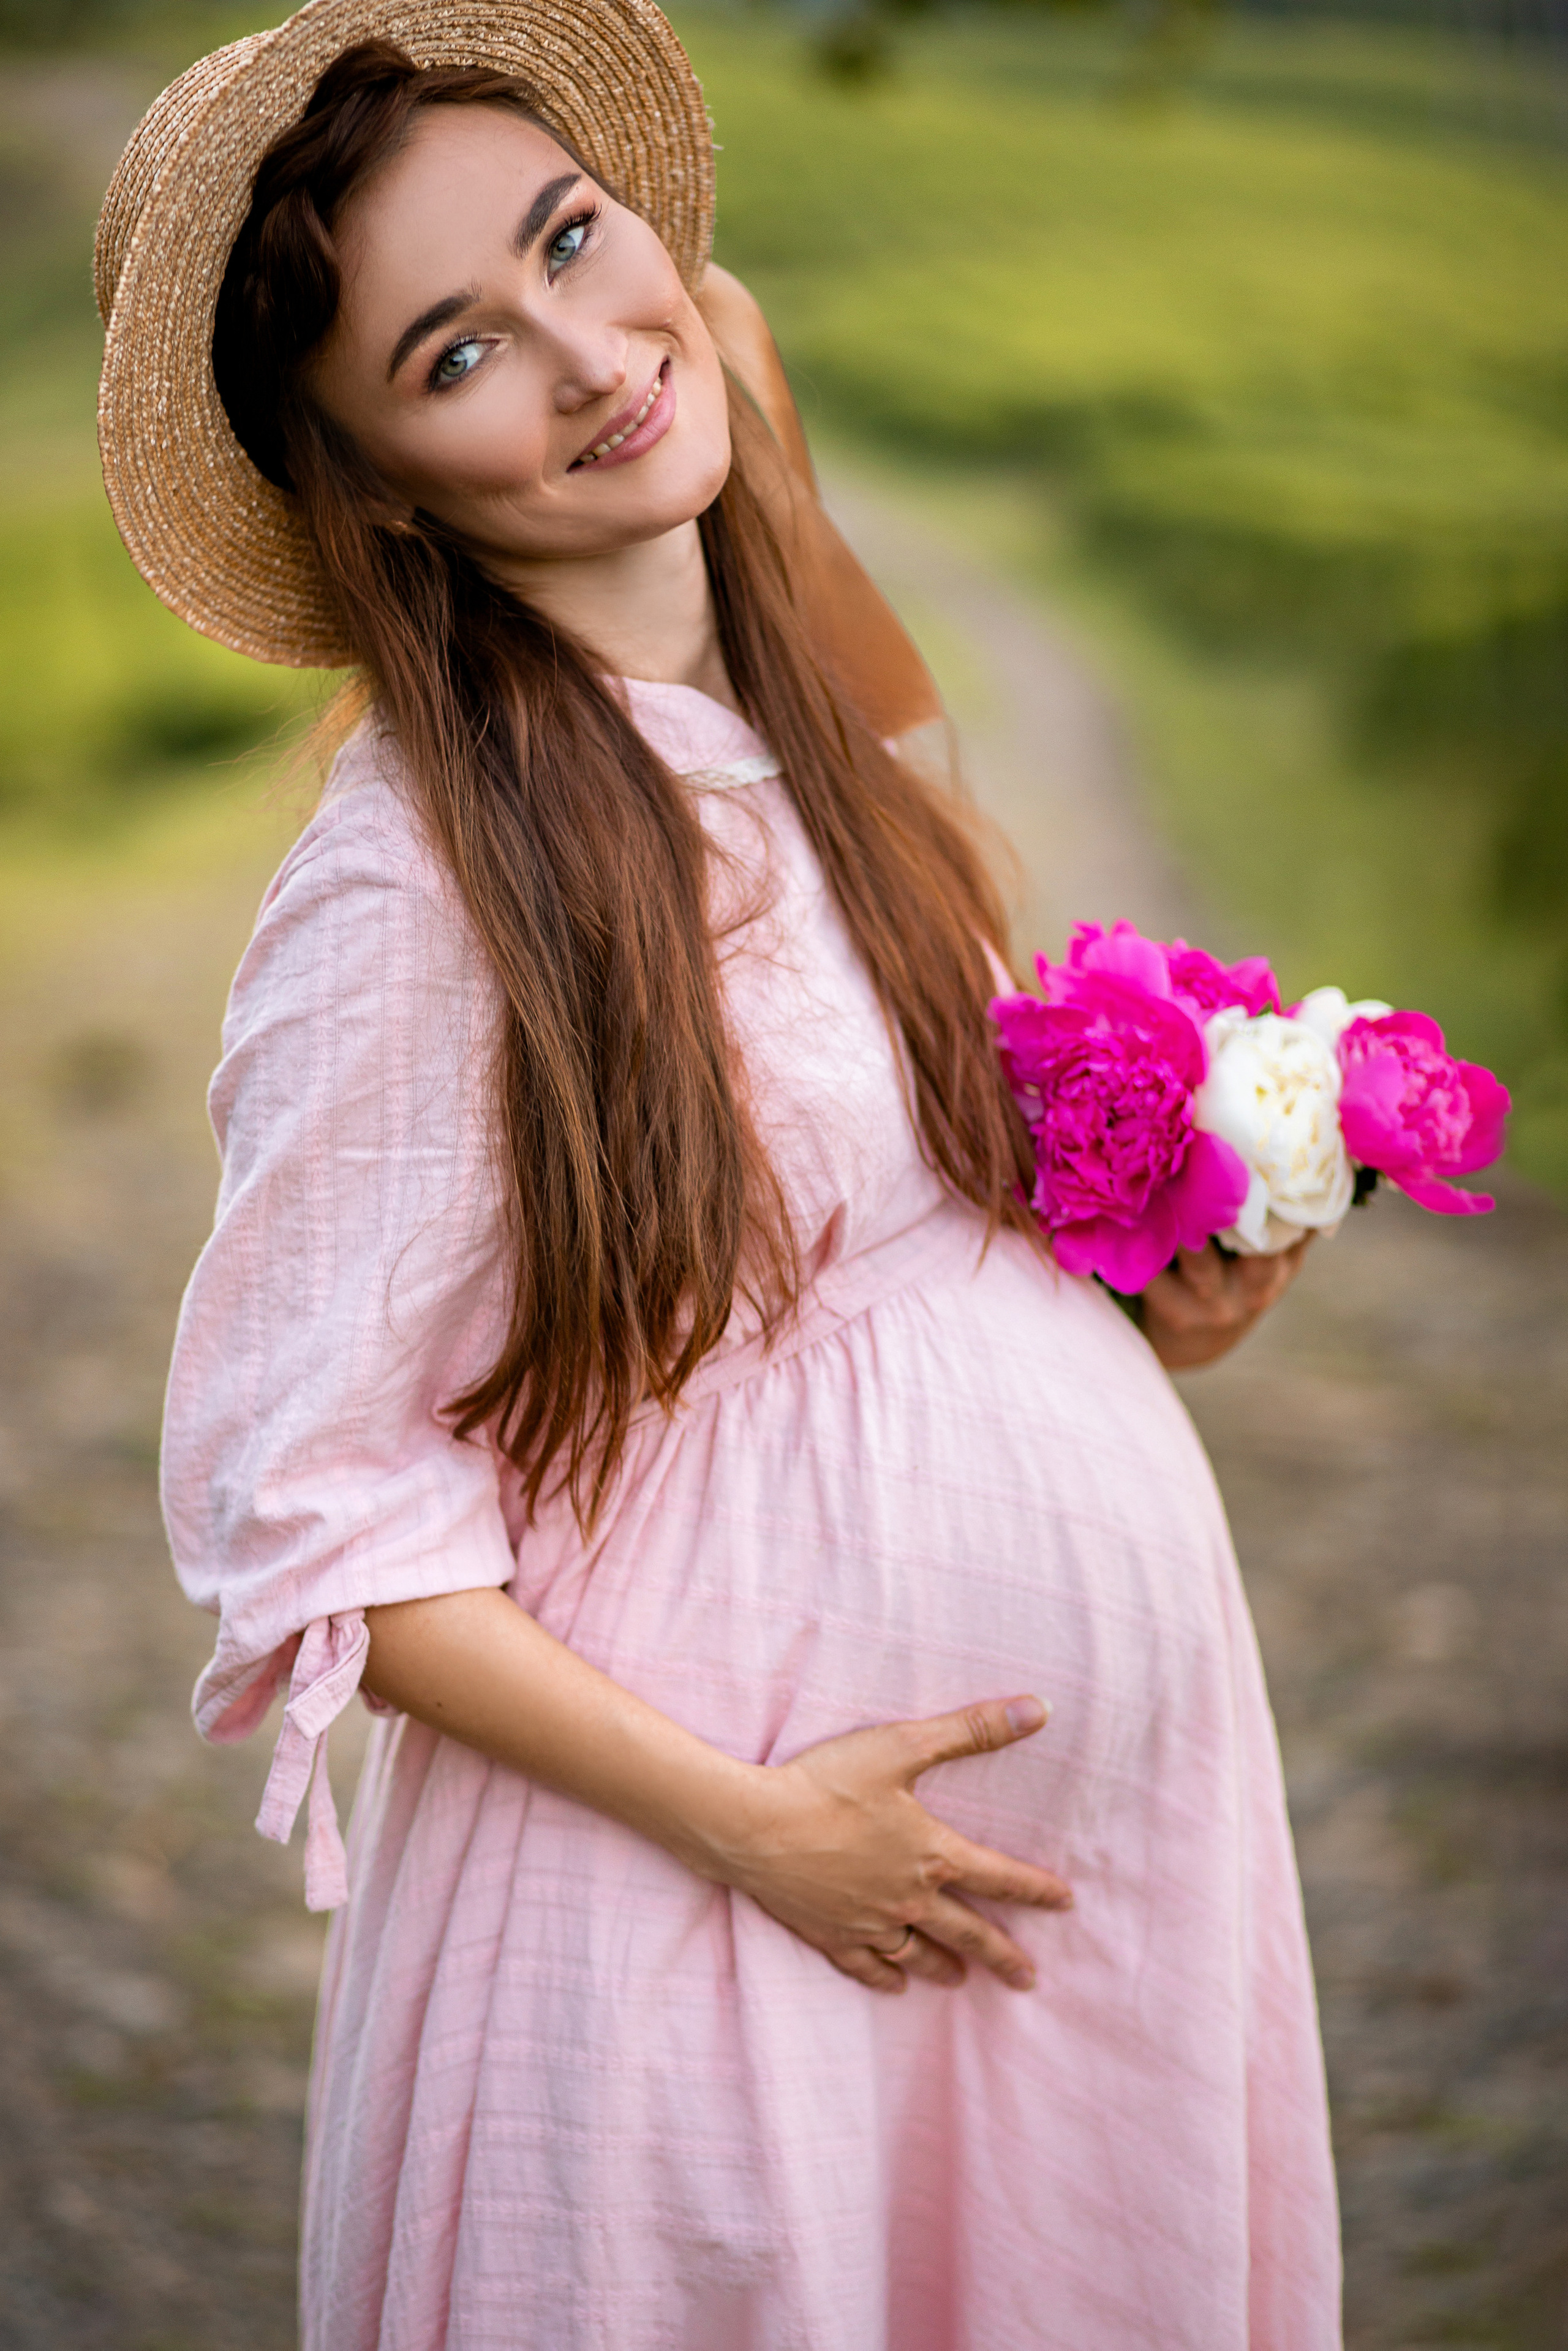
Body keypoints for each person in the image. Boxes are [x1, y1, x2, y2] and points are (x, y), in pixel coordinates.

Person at [96, 2, 1341, 2342]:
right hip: (709, 1929)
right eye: (463, 348)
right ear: (365, 481)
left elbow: (885, 1035)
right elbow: (305, 1500)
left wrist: (1135, 1260)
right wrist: (753, 1826)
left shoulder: (766, 640)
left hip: (1051, 1933)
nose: (589, 357)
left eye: (580, 239)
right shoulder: (410, 897)